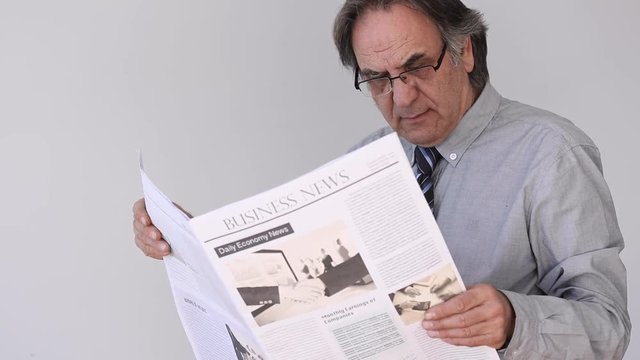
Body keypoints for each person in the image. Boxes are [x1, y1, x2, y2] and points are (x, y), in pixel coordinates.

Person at [133, 1, 630, 358]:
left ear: (466, 53)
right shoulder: (367, 159)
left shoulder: (550, 152)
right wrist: (188, 243)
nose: (403, 97)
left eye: (418, 68)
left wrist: (514, 323)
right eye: (377, 78)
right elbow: (305, 287)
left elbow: (608, 330)